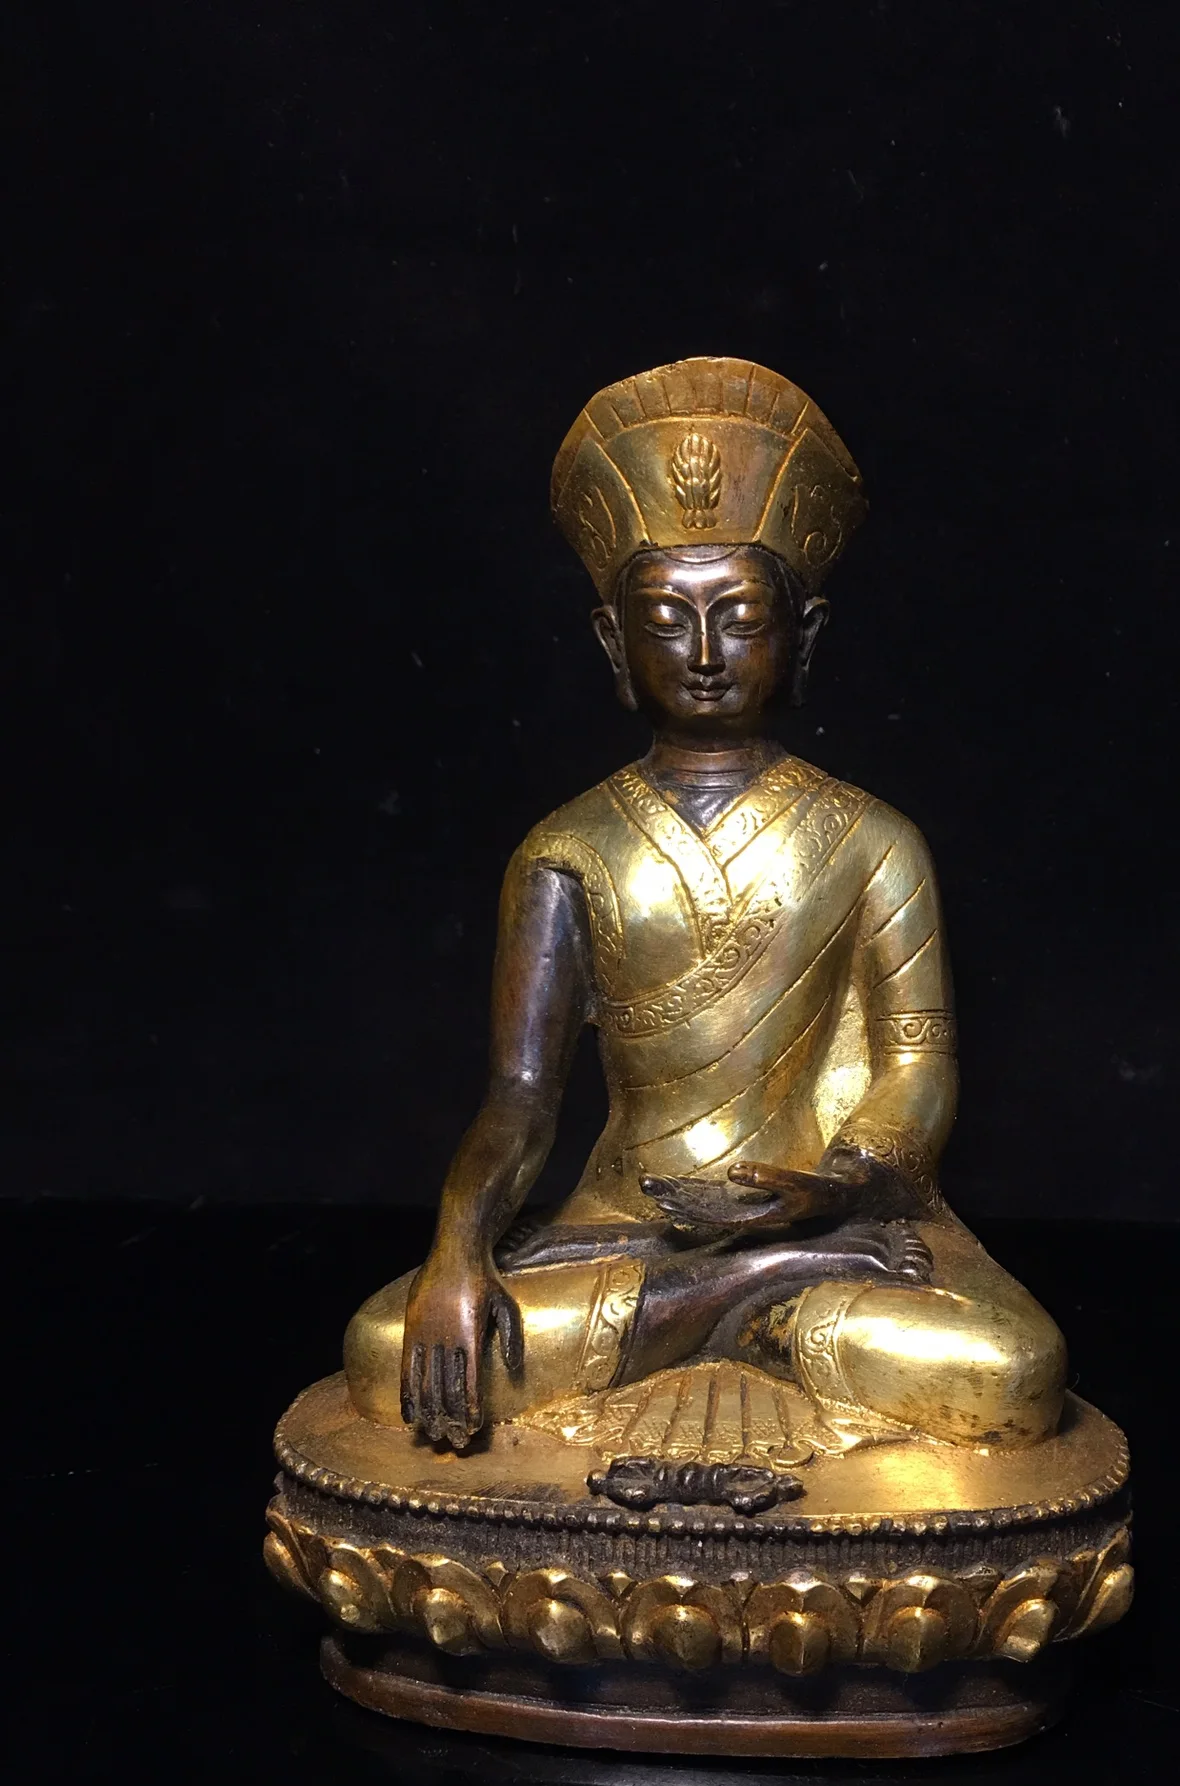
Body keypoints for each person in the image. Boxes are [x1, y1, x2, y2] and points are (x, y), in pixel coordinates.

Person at [344, 358, 1066, 1461]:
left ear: (802, 636)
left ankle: (754, 1281)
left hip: (833, 1222)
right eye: (666, 619)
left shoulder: (873, 840)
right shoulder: (567, 847)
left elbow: (917, 1067)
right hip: (620, 1228)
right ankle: (750, 1291)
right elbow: (521, 1099)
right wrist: (456, 1248)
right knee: (388, 1343)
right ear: (612, 643)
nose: (705, 654)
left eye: (739, 616)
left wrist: (834, 1184)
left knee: (1009, 1368)